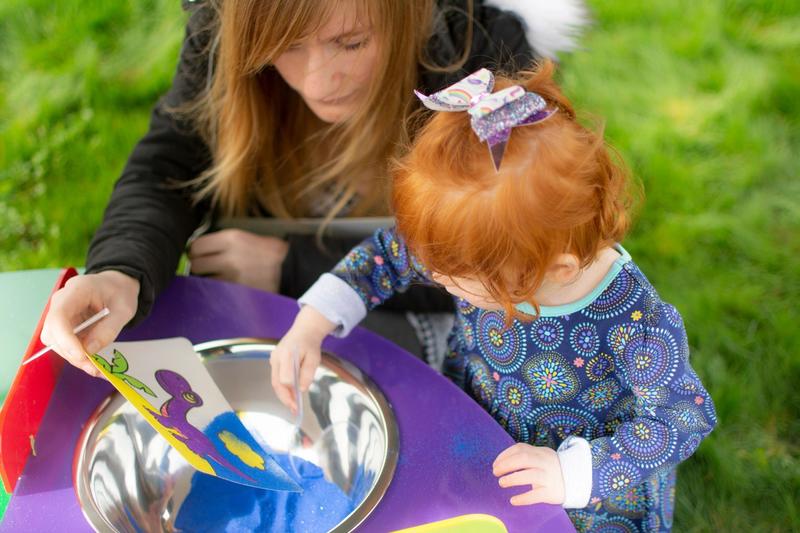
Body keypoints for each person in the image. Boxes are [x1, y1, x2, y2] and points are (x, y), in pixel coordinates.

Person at [270, 63, 716, 531]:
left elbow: (684, 415)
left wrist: (572, 473)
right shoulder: (473, 248)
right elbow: (387, 256)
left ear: (553, 269)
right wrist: (312, 323)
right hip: (478, 425)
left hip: (588, 498)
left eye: (456, 277)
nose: (435, 277)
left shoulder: (636, 321)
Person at [40, 0, 588, 376]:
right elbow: (171, 160)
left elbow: (512, 261)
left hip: (448, 330)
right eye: (286, 47)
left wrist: (296, 264)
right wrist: (120, 270)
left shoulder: (477, 54)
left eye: (349, 42)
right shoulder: (224, 23)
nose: (319, 79)